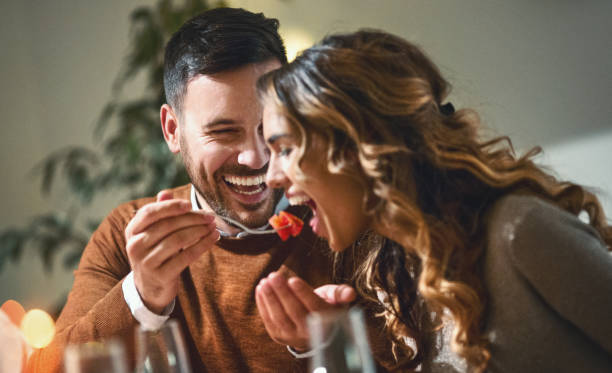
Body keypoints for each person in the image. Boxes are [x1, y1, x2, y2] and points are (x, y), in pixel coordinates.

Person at [256, 29, 612, 372]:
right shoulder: (400, 272)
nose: (271, 176)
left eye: (285, 149)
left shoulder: (519, 232)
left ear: (358, 145)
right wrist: (334, 339)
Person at [26, 8, 359, 373]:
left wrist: (329, 343)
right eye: (224, 132)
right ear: (172, 130)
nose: (256, 156)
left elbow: (411, 354)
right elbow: (46, 369)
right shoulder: (127, 231)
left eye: (271, 127)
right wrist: (143, 295)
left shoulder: (339, 217)